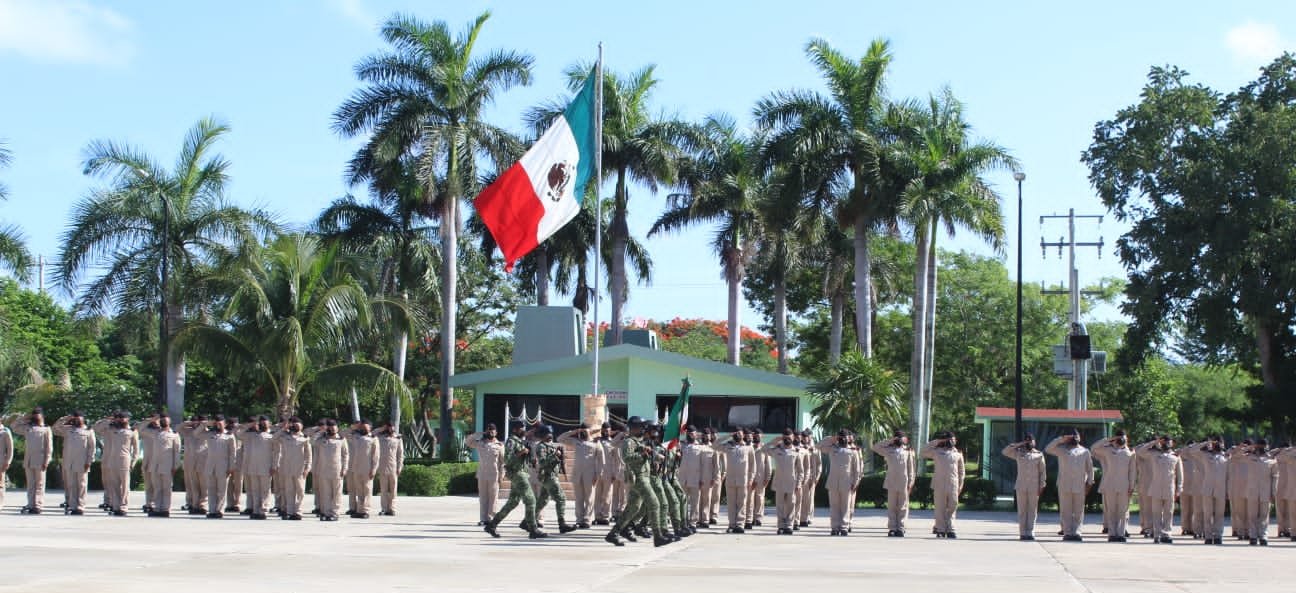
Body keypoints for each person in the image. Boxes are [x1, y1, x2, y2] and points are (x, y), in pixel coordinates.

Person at [485, 421, 546, 539]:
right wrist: (521, 452)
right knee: (531, 500)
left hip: (522, 472)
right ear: (515, 430)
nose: (523, 431)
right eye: (521, 429)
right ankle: (532, 529)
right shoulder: (511, 441)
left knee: (513, 502)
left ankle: (492, 525)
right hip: (517, 473)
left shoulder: (520, 441)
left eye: (524, 428)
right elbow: (507, 460)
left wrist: (531, 459)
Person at [1045, 428, 1095, 541]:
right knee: (1066, 510)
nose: (1074, 437)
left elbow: (1090, 469)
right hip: (1064, 484)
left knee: (1078, 510)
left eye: (1076, 435)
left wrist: (1090, 483)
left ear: (1080, 438)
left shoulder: (1085, 451)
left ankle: (1077, 532)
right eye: (1072, 436)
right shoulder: (1061, 449)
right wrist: (1060, 439)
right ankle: (1067, 532)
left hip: (1080, 485)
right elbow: (1048, 449)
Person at [1135, 435, 1183, 544]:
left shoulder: (1176, 456)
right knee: (1156, 512)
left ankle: (1167, 534)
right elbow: (1140, 452)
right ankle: (1157, 535)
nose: (1166, 443)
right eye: (1164, 441)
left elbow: (1180, 475)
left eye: (1168, 441)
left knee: (1168, 512)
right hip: (1156, 488)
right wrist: (1154, 442)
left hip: (1169, 488)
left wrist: (1179, 489)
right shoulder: (1153, 454)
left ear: (1172, 443)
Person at [1182, 436, 1230, 545]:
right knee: (1207, 513)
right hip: (1207, 489)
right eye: (1216, 442)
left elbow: (1228, 476)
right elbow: (1192, 451)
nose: (1218, 445)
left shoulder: (1226, 457)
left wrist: (1228, 491)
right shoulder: (1205, 455)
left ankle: (1218, 536)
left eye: (1220, 443)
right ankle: (1208, 536)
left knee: (1219, 514)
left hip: (1221, 490)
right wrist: (1205, 443)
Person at [1092, 433, 1137, 542]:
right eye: (1120, 438)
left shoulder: (1130, 453)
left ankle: (1121, 534)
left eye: (1124, 438)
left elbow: (1132, 471)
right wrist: (1109, 439)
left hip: (1124, 485)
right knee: (1111, 510)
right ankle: (1112, 534)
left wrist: (1131, 486)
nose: (1122, 440)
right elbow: (1094, 448)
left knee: (1123, 511)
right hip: (1109, 485)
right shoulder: (1107, 450)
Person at [93, 412, 139, 516]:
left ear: (128, 419)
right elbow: (96, 428)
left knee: (125, 485)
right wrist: (107, 420)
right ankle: (116, 506)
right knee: (114, 485)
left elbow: (136, 450)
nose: (120, 420)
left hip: (124, 460)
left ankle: (123, 507)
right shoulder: (111, 429)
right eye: (118, 418)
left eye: (123, 418)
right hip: (112, 460)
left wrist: (133, 462)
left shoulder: (132, 431)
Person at [872, 430, 917, 537]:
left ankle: (901, 527)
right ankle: (892, 528)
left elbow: (911, 469)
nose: (899, 440)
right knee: (892, 506)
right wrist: (890, 440)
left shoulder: (908, 451)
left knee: (903, 506)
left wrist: (911, 482)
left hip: (904, 481)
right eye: (897, 438)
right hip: (891, 481)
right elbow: (875, 447)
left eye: (900, 438)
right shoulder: (888, 450)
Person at [1002, 434, 1047, 540]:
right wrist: (1020, 444)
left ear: (1035, 442)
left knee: (1032, 510)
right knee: (1022, 510)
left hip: (1034, 487)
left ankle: (1030, 532)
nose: (1030, 443)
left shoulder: (1039, 455)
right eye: (1028, 441)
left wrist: (1042, 485)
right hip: (1021, 486)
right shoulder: (1018, 453)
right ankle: (1023, 533)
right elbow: (1005, 451)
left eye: (1031, 441)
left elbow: (1042, 472)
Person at [49, 413, 95, 516]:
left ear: (83, 418)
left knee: (82, 485)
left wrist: (89, 461)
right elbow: (55, 429)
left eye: (79, 417)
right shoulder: (68, 429)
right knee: (71, 485)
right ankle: (73, 505)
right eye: (75, 417)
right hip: (69, 462)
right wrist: (65, 418)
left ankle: (81, 506)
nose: (77, 420)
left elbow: (92, 448)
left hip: (82, 462)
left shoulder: (88, 431)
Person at [8, 409, 53, 514]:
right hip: (28, 460)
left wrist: (47, 460)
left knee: (39, 484)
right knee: (31, 484)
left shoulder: (46, 429)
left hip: (40, 460)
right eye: (34, 415)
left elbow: (49, 447)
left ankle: (38, 505)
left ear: (42, 416)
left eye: (38, 415)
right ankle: (30, 504)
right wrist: (24, 418)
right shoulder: (28, 427)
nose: (36, 417)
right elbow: (14, 427)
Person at [558, 425, 604, 528]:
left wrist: (598, 474)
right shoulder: (576, 441)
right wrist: (573, 431)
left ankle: (587, 519)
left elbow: (601, 461)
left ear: (590, 431)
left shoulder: (596, 443)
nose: (583, 432)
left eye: (585, 430)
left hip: (590, 474)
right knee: (579, 498)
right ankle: (579, 519)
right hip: (577, 474)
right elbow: (560, 439)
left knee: (589, 498)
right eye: (582, 430)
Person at [922, 431, 965, 538]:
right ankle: (940, 529)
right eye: (951, 439)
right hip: (939, 484)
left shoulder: (958, 453)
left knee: (952, 506)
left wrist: (960, 485)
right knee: (940, 508)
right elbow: (922, 452)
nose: (953, 441)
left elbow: (961, 471)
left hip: (953, 484)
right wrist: (937, 441)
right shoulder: (936, 452)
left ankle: (950, 529)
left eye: (954, 440)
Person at [819, 430, 862, 536]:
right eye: (841, 437)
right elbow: (819, 446)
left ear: (848, 438)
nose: (843, 439)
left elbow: (856, 469)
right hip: (833, 481)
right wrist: (832, 438)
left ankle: (844, 527)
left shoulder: (853, 451)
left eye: (845, 437)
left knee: (846, 506)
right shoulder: (832, 448)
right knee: (834, 506)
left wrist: (855, 482)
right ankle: (834, 527)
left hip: (847, 482)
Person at [236, 416, 276, 520]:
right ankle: (255, 510)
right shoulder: (251, 435)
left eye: (264, 423)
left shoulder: (272, 436)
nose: (262, 425)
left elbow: (277, 453)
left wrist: (274, 466)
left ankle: (263, 510)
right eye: (261, 423)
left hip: (266, 466)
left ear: (269, 424)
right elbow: (238, 434)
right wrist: (249, 425)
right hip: (253, 466)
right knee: (255, 489)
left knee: (265, 490)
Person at [466, 424, 506, 525]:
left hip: (494, 475)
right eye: (489, 431)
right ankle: (483, 519)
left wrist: (501, 476)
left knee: (493, 498)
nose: (491, 432)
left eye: (493, 431)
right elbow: (468, 442)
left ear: (496, 432)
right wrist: (479, 434)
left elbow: (503, 462)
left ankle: (491, 518)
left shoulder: (500, 445)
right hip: (482, 474)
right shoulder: (480, 443)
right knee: (483, 497)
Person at [273, 417, 312, 520]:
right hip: (287, 468)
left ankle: (298, 511)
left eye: (297, 423)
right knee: (288, 491)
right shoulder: (284, 436)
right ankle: (289, 511)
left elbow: (309, 455)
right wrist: (283, 428)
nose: (295, 425)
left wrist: (307, 467)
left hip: (300, 469)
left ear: (301, 426)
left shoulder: (305, 438)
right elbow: (273, 439)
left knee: (300, 491)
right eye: (293, 423)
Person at [1242, 439, 1278, 545]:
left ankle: (1263, 536)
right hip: (1252, 490)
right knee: (1252, 515)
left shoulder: (1272, 461)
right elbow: (1237, 455)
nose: (1262, 448)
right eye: (1260, 445)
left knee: (1264, 515)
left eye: (1263, 446)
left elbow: (1275, 477)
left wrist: (1273, 492)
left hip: (1265, 491)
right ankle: (1253, 536)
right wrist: (1251, 447)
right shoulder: (1249, 458)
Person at [144, 416, 181, 517]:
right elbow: (141, 430)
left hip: (167, 465)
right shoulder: (155, 433)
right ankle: (157, 508)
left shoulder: (174, 435)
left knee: (167, 488)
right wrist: (150, 420)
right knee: (157, 488)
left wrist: (175, 466)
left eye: (166, 420)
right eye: (162, 420)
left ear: (170, 422)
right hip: (155, 465)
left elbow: (176, 452)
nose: (163, 421)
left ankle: (165, 509)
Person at [720, 427, 755, 533]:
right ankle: (731, 524)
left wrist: (751, 479)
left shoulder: (748, 448)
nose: (737, 435)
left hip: (743, 479)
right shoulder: (728, 446)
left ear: (743, 435)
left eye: (739, 433)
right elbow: (714, 445)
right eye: (736, 433)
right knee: (731, 503)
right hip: (730, 479)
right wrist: (728, 436)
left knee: (742, 503)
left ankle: (740, 524)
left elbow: (753, 465)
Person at [203, 415, 238, 519]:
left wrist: (231, 467)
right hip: (210, 466)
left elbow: (233, 453)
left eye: (220, 422)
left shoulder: (229, 436)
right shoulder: (210, 434)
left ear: (225, 424)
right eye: (216, 422)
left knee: (221, 490)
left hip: (223, 467)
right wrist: (207, 424)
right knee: (211, 490)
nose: (218, 424)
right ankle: (212, 510)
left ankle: (219, 510)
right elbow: (196, 433)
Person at [344, 419, 380, 519]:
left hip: (367, 468)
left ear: (370, 428)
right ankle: (359, 510)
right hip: (356, 467)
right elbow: (342, 434)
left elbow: (375, 456)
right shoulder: (355, 437)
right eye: (361, 427)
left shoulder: (373, 439)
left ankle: (365, 510)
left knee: (367, 490)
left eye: (365, 427)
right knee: (359, 490)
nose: (363, 429)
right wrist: (353, 427)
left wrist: (373, 469)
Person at [177, 415, 209, 514]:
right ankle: (194, 504)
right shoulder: (188, 431)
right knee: (192, 484)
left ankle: (203, 505)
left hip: (203, 462)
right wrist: (189, 423)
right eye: (194, 421)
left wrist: (203, 425)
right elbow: (177, 428)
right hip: (190, 461)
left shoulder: (208, 432)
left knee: (204, 485)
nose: (196, 422)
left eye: (198, 421)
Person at [593, 422, 622, 525]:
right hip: (597, 471)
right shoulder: (596, 441)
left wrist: (615, 473)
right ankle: (597, 516)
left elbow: (616, 459)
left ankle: (605, 516)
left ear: (610, 431)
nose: (605, 432)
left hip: (609, 472)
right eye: (604, 430)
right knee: (597, 495)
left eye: (607, 430)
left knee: (607, 495)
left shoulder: (613, 443)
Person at [375, 421, 404, 516]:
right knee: (383, 490)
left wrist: (400, 467)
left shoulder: (397, 438)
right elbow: (372, 433)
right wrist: (381, 428)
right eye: (389, 427)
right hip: (382, 466)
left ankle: (392, 509)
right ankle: (384, 508)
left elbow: (400, 454)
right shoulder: (380, 437)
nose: (391, 429)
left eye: (392, 427)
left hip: (393, 467)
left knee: (393, 490)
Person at [747, 428, 770, 529]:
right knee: (749, 499)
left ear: (762, 436)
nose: (757, 436)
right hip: (749, 478)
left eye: (759, 435)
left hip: (760, 477)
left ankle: (758, 518)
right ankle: (750, 518)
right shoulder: (748, 447)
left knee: (760, 498)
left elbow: (768, 464)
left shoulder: (764, 448)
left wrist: (767, 477)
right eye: (755, 435)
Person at [797, 430, 821, 528]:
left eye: (808, 436)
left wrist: (817, 476)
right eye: (804, 437)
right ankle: (801, 518)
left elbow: (819, 463)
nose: (805, 438)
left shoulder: (815, 449)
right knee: (800, 498)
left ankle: (808, 517)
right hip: (801, 476)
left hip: (811, 476)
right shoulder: (798, 447)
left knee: (809, 499)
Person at [1275, 442, 1296, 541]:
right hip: (1284, 487)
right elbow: (1272, 455)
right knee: (1283, 510)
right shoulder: (1286, 455)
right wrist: (1283, 449)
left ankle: (1289, 530)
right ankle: (1285, 530)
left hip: (1290, 487)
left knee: (1290, 512)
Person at [0, 417, 11, 511]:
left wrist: (8, 461)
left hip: (1, 461)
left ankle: (0, 503)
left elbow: (10, 448)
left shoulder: (5, 432)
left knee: (0, 484)